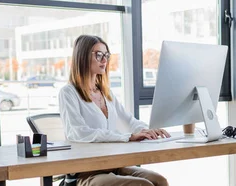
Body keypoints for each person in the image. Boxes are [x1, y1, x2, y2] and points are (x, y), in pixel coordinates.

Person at [59, 35, 169, 186]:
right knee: (143, 185)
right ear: (82, 56)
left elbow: (128, 121)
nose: (104, 60)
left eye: (106, 55)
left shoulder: (106, 93)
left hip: (114, 164)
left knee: (160, 181)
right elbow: (78, 132)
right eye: (98, 55)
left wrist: (147, 131)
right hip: (86, 172)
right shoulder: (69, 93)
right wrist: (128, 137)